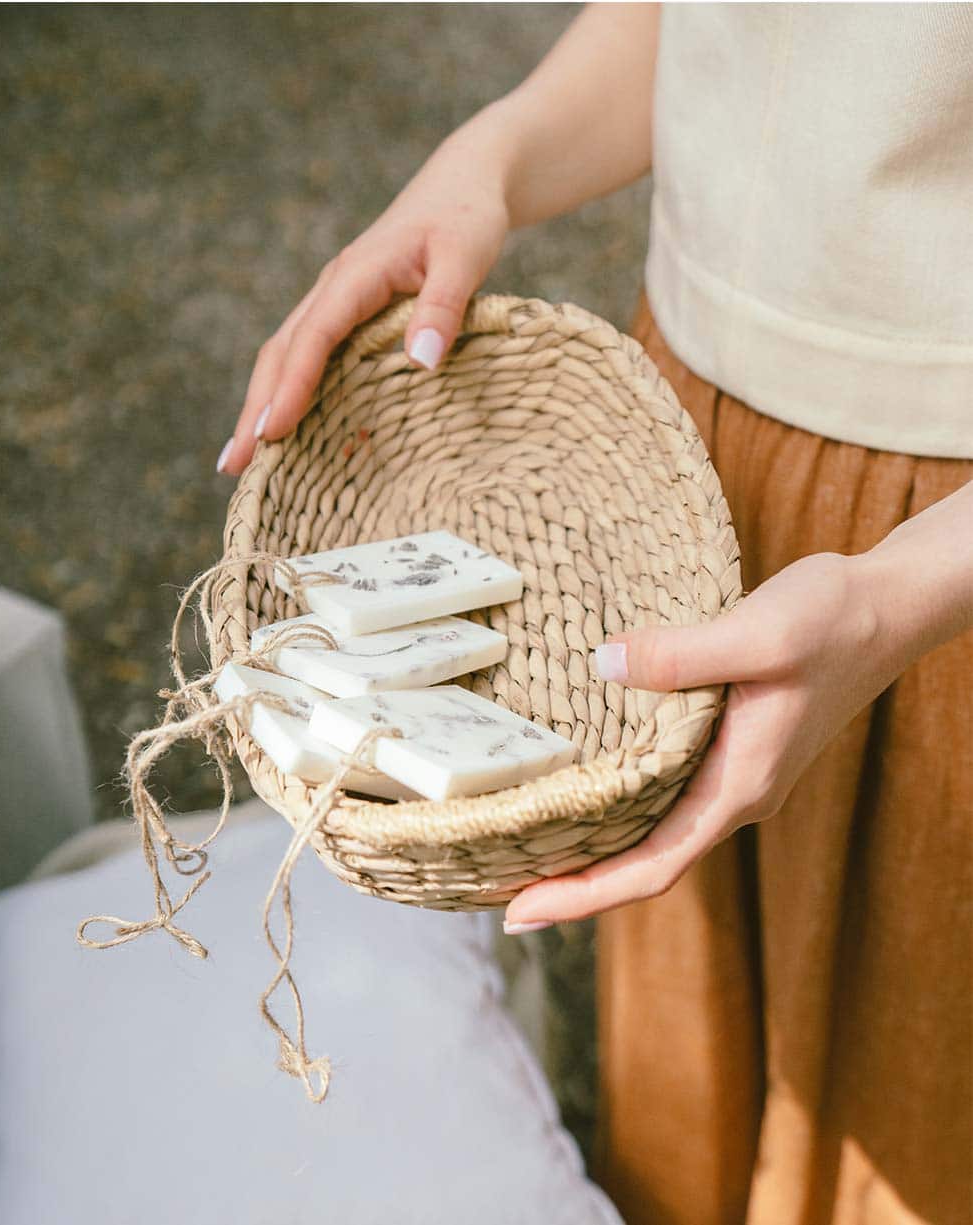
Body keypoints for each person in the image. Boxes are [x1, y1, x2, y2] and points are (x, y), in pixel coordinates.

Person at [217, 5, 973, 1221]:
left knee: (921, 1050)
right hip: (679, 448)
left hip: (939, 551)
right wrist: (496, 154)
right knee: (698, 1015)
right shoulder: (623, 496)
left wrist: (896, 602)